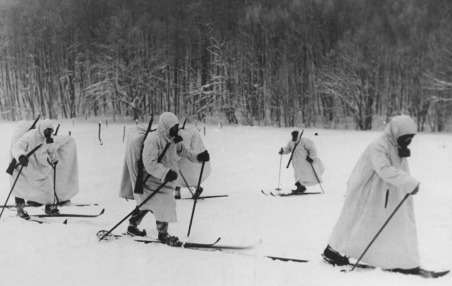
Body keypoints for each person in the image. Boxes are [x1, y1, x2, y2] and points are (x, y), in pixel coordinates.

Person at [323, 115, 422, 273]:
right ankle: (331, 250)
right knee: (354, 221)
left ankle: (393, 258)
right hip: (365, 190)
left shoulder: (395, 144)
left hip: (382, 191)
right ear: (396, 132)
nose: (408, 141)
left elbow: (398, 168)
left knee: (376, 225)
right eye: (406, 138)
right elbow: (384, 169)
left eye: (410, 138)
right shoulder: (379, 145)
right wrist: (409, 183)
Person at [119, 112, 210, 246]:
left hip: (164, 179)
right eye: (173, 127)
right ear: (165, 127)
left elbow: (183, 152)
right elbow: (149, 164)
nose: (176, 130)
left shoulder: (172, 138)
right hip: (151, 178)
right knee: (163, 203)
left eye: (176, 127)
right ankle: (163, 234)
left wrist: (198, 157)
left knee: (146, 203)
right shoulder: (153, 140)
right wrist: (165, 173)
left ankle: (132, 227)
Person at [10, 119, 80, 219]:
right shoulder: (30, 136)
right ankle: (20, 210)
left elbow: (51, 151)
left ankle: (49, 207)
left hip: (40, 167)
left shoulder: (49, 139)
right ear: (42, 128)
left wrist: (54, 160)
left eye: (51, 130)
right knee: (20, 187)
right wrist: (21, 156)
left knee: (48, 186)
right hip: (27, 166)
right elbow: (17, 147)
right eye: (48, 130)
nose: (49, 133)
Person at [279, 129, 324, 194]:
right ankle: (300, 187)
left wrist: (312, 157)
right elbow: (288, 149)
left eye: (295, 136)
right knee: (297, 175)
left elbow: (312, 149)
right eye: (293, 136)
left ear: (298, 135)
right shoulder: (291, 142)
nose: (294, 138)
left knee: (304, 175)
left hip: (305, 162)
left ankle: (301, 188)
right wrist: (283, 151)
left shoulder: (305, 141)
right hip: (296, 162)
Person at [174, 126, 211, 199]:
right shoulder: (187, 132)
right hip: (185, 156)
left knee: (183, 173)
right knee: (179, 173)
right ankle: (178, 191)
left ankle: (195, 188)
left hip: (188, 156)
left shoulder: (188, 133)